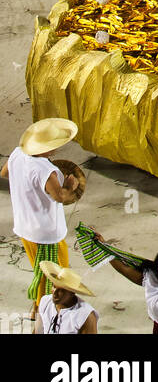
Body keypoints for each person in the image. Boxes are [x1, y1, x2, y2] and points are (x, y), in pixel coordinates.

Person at [0, 117, 80, 315]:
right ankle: (45, 311)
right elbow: (60, 196)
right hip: (46, 233)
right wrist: (71, 186)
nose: (56, 149)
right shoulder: (45, 170)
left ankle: (38, 307)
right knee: (58, 275)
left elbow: (4, 173)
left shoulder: (18, 153)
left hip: (25, 228)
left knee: (41, 271)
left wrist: (26, 187)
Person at [35, 264, 98, 334]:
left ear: (72, 293)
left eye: (61, 290)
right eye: (54, 287)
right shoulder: (45, 301)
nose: (55, 293)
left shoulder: (86, 315)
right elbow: (38, 331)